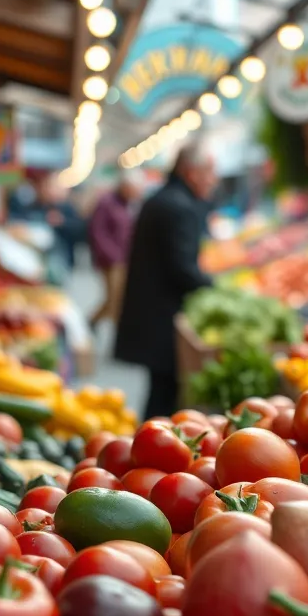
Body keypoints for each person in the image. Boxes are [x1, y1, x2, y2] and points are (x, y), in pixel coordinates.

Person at [115, 143, 217, 419]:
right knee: (163, 396)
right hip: (162, 316)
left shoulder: (162, 198)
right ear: (190, 172)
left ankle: (150, 446)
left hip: (150, 312)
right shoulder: (180, 207)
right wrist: (215, 287)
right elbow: (181, 268)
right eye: (208, 172)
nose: (213, 180)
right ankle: (151, 452)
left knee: (159, 391)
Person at [88, 172, 141, 329]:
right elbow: (97, 232)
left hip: (123, 258)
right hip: (110, 260)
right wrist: (111, 254)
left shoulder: (127, 204)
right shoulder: (107, 203)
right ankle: (109, 327)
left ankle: (93, 321)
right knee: (115, 300)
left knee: (116, 298)